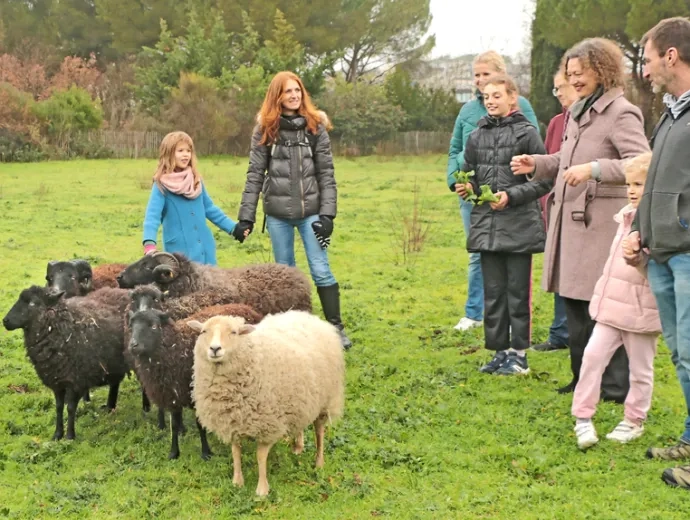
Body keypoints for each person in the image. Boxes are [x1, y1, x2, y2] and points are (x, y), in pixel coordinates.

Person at [511, 38, 650, 400]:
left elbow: (640, 163)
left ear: (601, 70)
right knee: (574, 306)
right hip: (572, 226)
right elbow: (564, 159)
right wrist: (538, 164)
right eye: (570, 74)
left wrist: (594, 169)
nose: (573, 80)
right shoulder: (577, 112)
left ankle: (615, 388)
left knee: (604, 309)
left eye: (580, 73)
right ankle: (581, 379)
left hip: (601, 225)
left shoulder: (622, 112)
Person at [237, 71, 352, 350]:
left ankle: (336, 328)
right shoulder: (265, 131)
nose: (294, 95)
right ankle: (293, 330)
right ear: (277, 96)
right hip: (277, 216)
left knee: (320, 269)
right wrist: (245, 217)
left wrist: (327, 216)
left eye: (297, 90)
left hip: (311, 212)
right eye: (288, 91)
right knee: (286, 276)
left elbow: (326, 174)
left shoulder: (315, 129)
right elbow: (255, 174)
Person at [622, 17, 690, 489]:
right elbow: (656, 183)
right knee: (681, 354)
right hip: (662, 253)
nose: (644, 70)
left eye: (647, 59)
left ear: (671, 56)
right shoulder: (671, 112)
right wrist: (640, 232)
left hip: (686, 251)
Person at [456, 75, 549, 375]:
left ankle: (519, 355)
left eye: (497, 95)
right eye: (486, 96)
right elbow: (468, 173)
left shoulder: (527, 133)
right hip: (486, 225)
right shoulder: (476, 137)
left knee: (517, 292)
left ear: (512, 98)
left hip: (519, 225)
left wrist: (511, 196)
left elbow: (544, 180)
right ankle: (499, 352)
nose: (491, 100)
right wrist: (466, 188)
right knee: (493, 293)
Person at [571, 153, 660, 450]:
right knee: (592, 357)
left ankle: (634, 420)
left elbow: (656, 271)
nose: (632, 190)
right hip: (611, 306)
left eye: (639, 184)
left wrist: (639, 258)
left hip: (641, 310)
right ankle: (583, 417)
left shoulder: (659, 224)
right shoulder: (625, 216)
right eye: (629, 184)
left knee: (641, 369)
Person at [446, 50, 539, 332]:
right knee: (479, 253)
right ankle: (475, 313)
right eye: (476, 75)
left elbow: (533, 150)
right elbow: (455, 149)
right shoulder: (467, 111)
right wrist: (456, 181)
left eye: (486, 74)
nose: (480, 81)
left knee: (510, 256)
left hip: (510, 194)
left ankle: (511, 319)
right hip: (474, 192)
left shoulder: (520, 105)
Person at [142, 131, 246, 264]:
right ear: (168, 153)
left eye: (188, 150)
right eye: (180, 150)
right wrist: (149, 245)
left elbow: (209, 209)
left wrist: (233, 228)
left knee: (209, 283)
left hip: (205, 247)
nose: (186, 154)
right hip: (180, 252)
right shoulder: (161, 185)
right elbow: (152, 217)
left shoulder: (196, 180)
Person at [532, 72, 579, 352]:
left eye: (562, 87)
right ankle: (560, 333)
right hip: (555, 206)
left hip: (583, 209)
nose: (559, 93)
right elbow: (551, 163)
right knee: (560, 269)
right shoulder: (556, 123)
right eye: (556, 88)